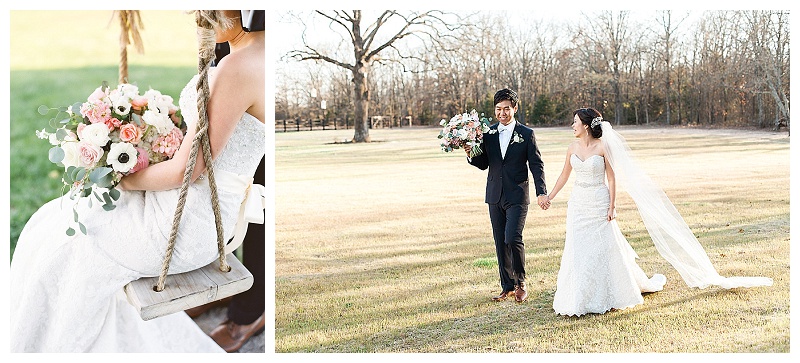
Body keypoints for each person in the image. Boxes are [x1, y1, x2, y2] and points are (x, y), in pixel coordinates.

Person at [9, 10, 265, 352]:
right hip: (191, 204)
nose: (199, 18)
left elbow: (184, 171)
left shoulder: (237, 67)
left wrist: (114, 178)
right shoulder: (255, 54)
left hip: (187, 222)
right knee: (53, 221)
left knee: (64, 243)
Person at [547, 107, 772, 316]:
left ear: (586, 125)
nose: (572, 125)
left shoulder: (603, 146)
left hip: (599, 201)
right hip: (578, 204)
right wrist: (549, 197)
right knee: (578, 248)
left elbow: (612, 178)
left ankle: (612, 291)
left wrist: (612, 205)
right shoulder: (572, 148)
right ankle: (578, 295)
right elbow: (564, 176)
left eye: (575, 122)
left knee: (604, 248)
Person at [185, 11, 266, 353]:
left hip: (256, 64)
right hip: (233, 45)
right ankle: (221, 286)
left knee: (258, 195)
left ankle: (253, 308)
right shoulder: (222, 34)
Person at [465, 88, 549, 303]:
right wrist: (470, 153)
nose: (502, 113)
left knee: (512, 237)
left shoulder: (527, 134)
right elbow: (483, 164)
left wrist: (541, 192)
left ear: (515, 108)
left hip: (517, 195)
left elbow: (537, 165)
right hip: (494, 195)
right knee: (499, 242)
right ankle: (507, 287)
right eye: (498, 109)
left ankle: (520, 283)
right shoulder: (488, 133)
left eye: (506, 109)